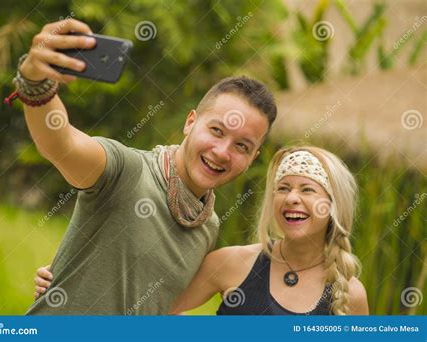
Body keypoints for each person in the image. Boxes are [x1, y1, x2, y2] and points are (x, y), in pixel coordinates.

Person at [16, 19, 277, 315]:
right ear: (190, 122)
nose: (222, 152)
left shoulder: (207, 225)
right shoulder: (127, 171)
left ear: (253, 156)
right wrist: (35, 81)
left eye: (242, 146)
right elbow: (60, 143)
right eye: (216, 130)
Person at [166, 146, 369, 315]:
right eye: (283, 188)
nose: (291, 198)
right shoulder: (230, 262)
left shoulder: (350, 294)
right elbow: (152, 309)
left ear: (333, 205)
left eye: (307, 189)